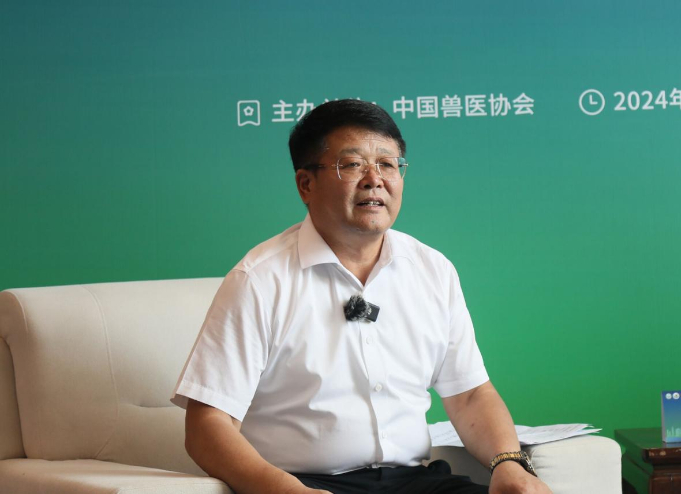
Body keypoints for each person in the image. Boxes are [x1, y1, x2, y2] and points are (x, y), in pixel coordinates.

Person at [171, 99, 551, 494]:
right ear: (306, 184)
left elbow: (470, 395)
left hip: (416, 483)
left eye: (387, 164)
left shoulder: (432, 269)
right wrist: (285, 491)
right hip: (302, 483)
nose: (375, 179)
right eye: (352, 165)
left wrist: (509, 464)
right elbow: (207, 426)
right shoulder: (260, 280)